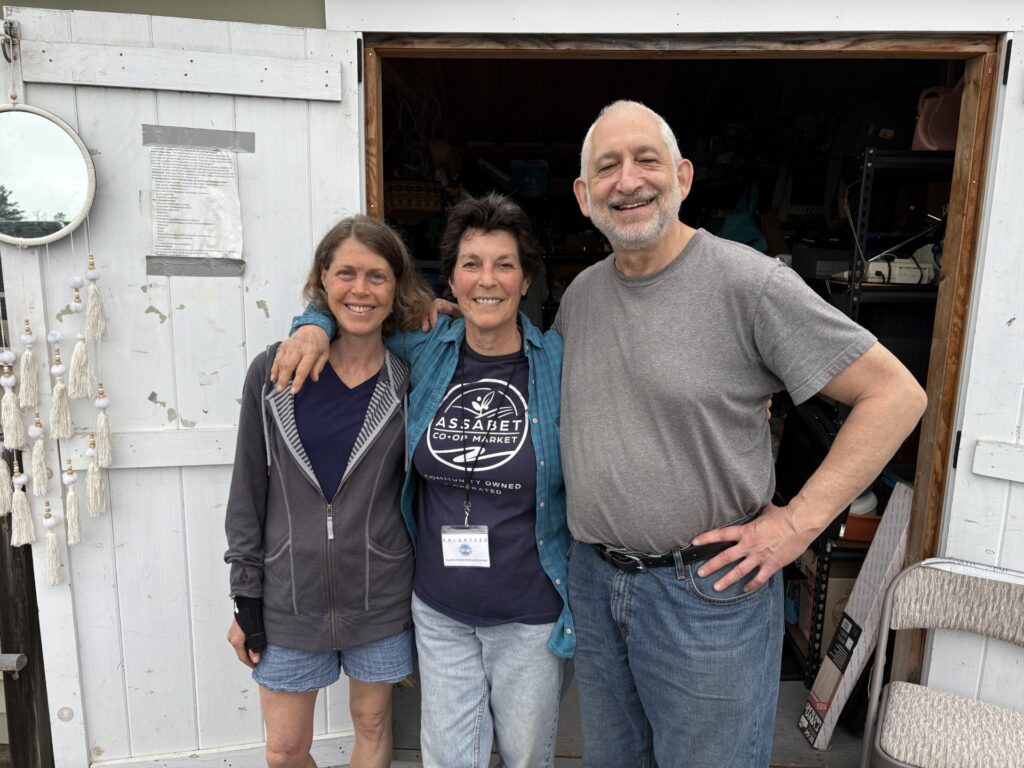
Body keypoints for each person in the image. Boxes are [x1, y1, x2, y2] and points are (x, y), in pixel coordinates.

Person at [275, 102, 927, 767]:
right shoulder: (582, 298)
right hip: (594, 583)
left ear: (683, 176)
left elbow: (896, 394)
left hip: (703, 592)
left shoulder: (748, 283)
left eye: (646, 160)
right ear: (585, 196)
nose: (629, 180)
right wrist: (313, 321)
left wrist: (796, 525)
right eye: (607, 167)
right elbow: (369, 300)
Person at [277, 193, 573, 768]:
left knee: (526, 756)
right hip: (440, 611)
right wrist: (310, 324)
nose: (487, 280)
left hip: (530, 616)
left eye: (503, 264)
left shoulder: (560, 361)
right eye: (471, 264)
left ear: (527, 280)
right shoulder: (422, 349)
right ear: (453, 280)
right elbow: (354, 314)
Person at [224, 215, 434, 768]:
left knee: (371, 724)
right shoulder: (275, 371)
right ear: (323, 280)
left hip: (381, 593)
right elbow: (247, 489)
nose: (360, 290)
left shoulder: (409, 379)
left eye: (377, 276)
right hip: (290, 597)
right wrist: (246, 597)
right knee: (285, 750)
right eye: (346, 273)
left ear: (396, 289)